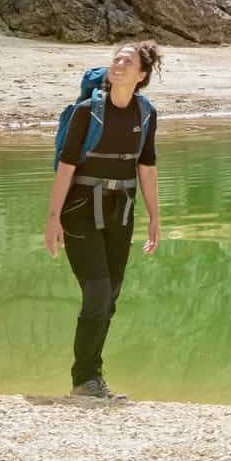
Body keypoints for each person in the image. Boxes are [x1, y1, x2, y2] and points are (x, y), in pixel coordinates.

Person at [44, 39, 162, 401]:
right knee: (96, 292)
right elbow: (66, 166)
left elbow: (146, 166)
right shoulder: (86, 112)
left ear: (141, 75)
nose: (119, 65)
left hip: (120, 210)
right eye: (116, 59)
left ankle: (92, 378)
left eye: (128, 62)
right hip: (79, 208)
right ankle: (84, 380)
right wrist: (52, 219)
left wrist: (155, 217)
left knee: (109, 297)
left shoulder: (146, 114)